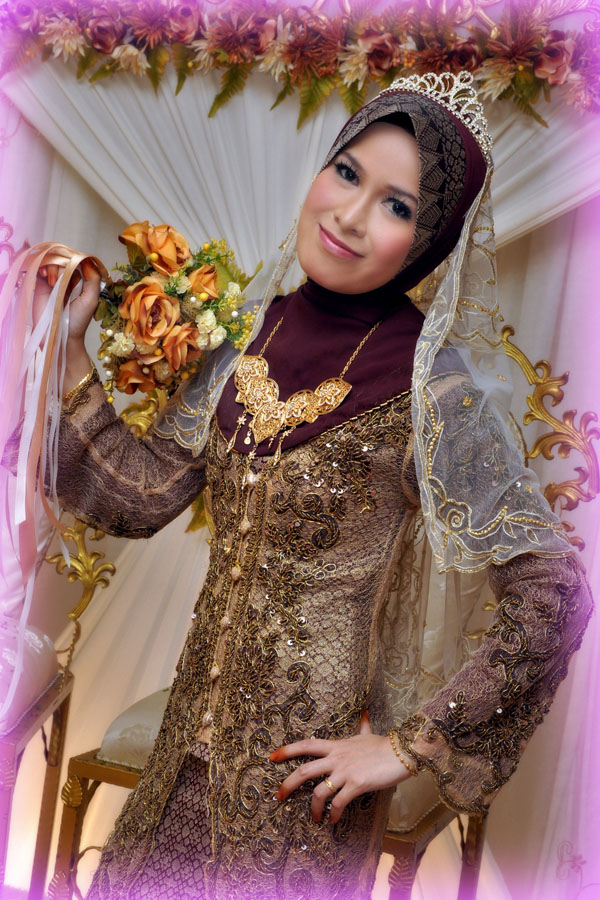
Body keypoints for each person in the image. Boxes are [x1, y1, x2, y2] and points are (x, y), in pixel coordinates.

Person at [35, 72, 591, 900]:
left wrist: (406, 746)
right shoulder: (248, 338)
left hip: (303, 795)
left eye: (397, 207)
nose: (351, 216)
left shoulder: (433, 390)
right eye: (347, 173)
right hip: (183, 759)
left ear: (431, 243)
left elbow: (555, 591)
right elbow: (141, 496)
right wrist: (73, 351)